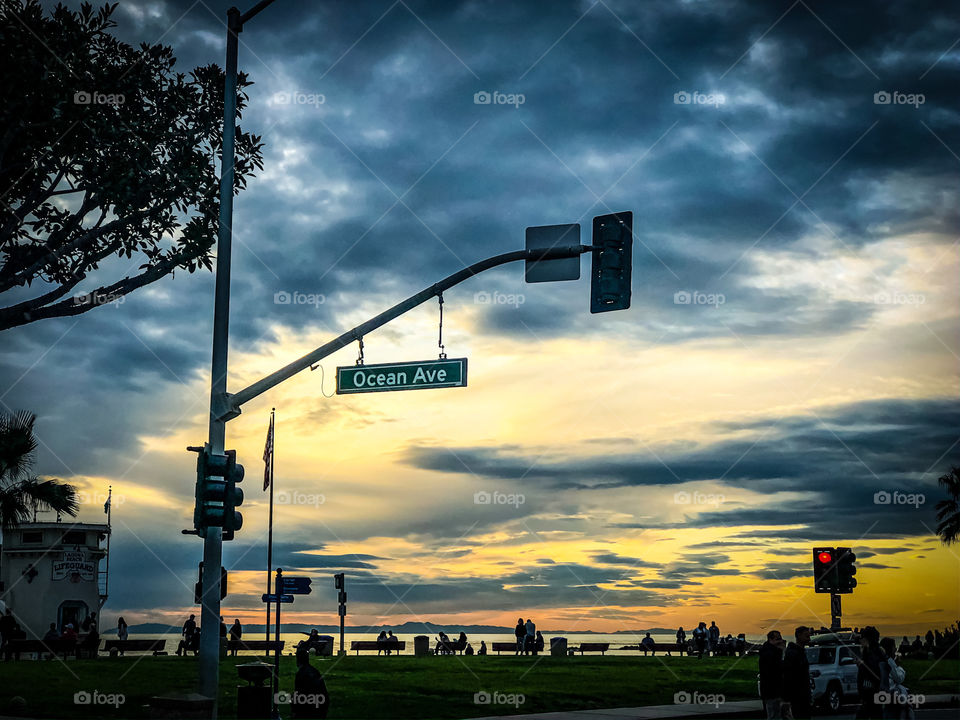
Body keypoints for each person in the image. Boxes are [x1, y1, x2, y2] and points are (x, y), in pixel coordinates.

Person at [881, 636, 915, 720]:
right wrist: (900, 668)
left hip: (886, 696)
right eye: (894, 647)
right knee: (906, 707)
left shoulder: (880, 660)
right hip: (890, 695)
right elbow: (899, 678)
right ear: (890, 649)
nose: (896, 649)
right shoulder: (889, 661)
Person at [782, 626, 812, 719]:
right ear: (798, 636)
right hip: (797, 696)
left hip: (803, 695)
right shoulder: (793, 653)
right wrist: (787, 699)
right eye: (806, 636)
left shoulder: (801, 652)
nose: (809, 639)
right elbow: (788, 676)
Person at [292, 646, 329, 718]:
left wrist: (295, 710)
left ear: (298, 660)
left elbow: (299, 693)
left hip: (310, 708)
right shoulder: (315, 671)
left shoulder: (301, 674)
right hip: (321, 706)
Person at [856, 626, 884, 720]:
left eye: (862, 638)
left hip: (870, 693)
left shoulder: (870, 655)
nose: (860, 641)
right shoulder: (877, 653)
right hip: (873, 694)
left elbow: (870, 674)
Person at [758, 630, 785, 720]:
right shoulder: (769, 653)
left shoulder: (769, 651)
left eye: (780, 639)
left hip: (774, 690)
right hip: (771, 691)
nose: (781, 641)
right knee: (773, 715)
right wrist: (781, 651)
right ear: (771, 640)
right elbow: (776, 669)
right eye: (778, 639)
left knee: (776, 715)